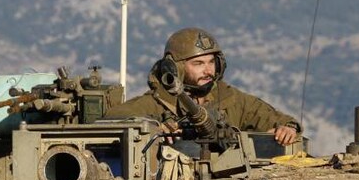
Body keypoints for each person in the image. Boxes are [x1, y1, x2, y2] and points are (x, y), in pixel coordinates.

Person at [105, 28, 300, 145]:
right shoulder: (158, 102)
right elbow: (112, 119)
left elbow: (278, 120)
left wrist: (287, 129)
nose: (208, 70)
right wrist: (153, 129)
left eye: (211, 62)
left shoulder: (230, 98)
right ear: (177, 68)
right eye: (198, 64)